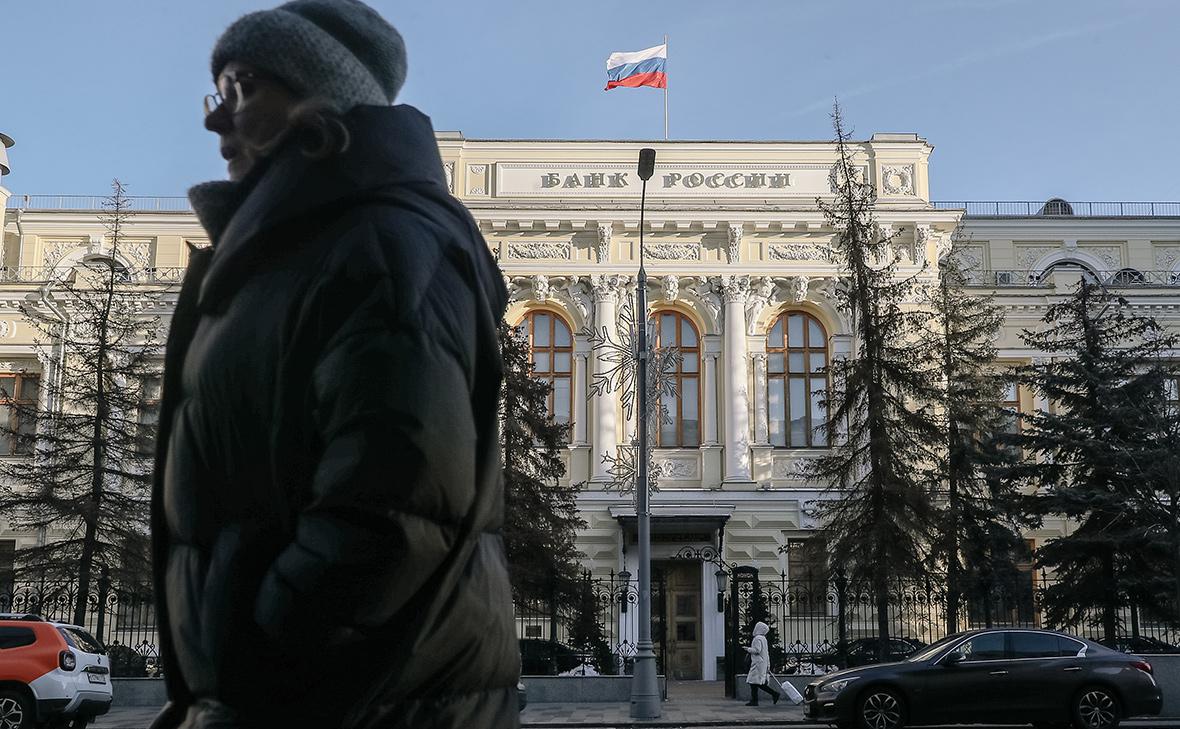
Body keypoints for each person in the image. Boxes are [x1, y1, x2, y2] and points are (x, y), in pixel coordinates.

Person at [148, 2, 518, 727]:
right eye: (215, 92)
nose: (216, 119)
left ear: (317, 96)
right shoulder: (298, 247)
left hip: (354, 705)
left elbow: (394, 506)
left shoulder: (380, 243)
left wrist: (257, 671)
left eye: (242, 87)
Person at [744, 621, 780, 707]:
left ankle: (773, 694)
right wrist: (768, 664)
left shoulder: (757, 638)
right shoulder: (763, 639)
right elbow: (765, 652)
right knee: (755, 682)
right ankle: (755, 700)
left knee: (755, 682)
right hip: (762, 662)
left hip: (757, 663)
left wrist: (748, 649)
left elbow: (757, 650)